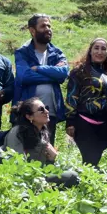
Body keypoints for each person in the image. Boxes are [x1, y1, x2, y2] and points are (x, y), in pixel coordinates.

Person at [14, 14, 68, 145]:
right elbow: (24, 76)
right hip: (28, 114)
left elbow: (63, 73)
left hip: (50, 115)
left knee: (47, 152)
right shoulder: (23, 52)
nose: (48, 29)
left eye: (49, 26)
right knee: (26, 152)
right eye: (43, 26)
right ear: (32, 31)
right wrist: (52, 75)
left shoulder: (57, 52)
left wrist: (38, 68)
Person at [5, 97, 80, 187]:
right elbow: (17, 165)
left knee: (77, 173)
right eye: (41, 109)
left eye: (46, 108)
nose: (47, 111)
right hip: (23, 180)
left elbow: (47, 168)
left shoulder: (43, 133)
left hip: (40, 176)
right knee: (72, 176)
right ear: (29, 116)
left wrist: (52, 159)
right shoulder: (17, 133)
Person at [65, 38, 107, 167]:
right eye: (96, 48)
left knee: (99, 161)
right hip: (85, 122)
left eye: (103, 49)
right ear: (90, 51)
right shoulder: (79, 71)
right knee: (89, 161)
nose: (100, 51)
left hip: (105, 124)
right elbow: (72, 96)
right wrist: (70, 122)